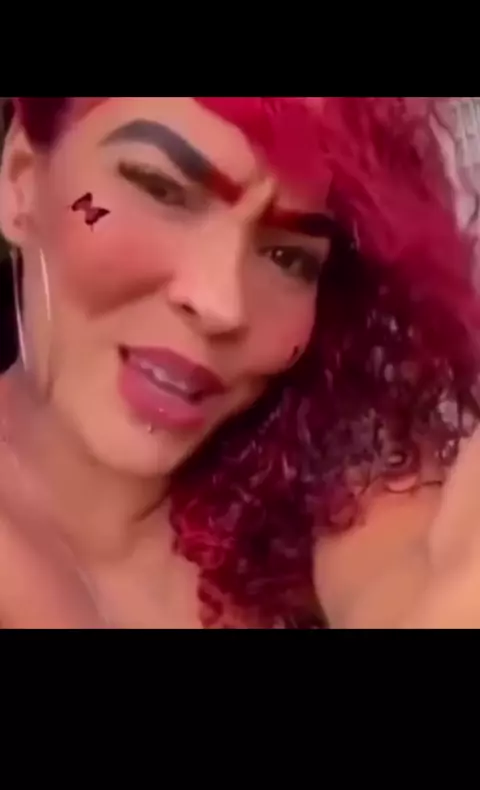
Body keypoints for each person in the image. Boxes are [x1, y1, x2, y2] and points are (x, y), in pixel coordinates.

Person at [0, 96, 479, 630]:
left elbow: (416, 582)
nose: (221, 304)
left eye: (288, 257)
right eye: (161, 189)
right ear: (21, 180)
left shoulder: (316, 473)